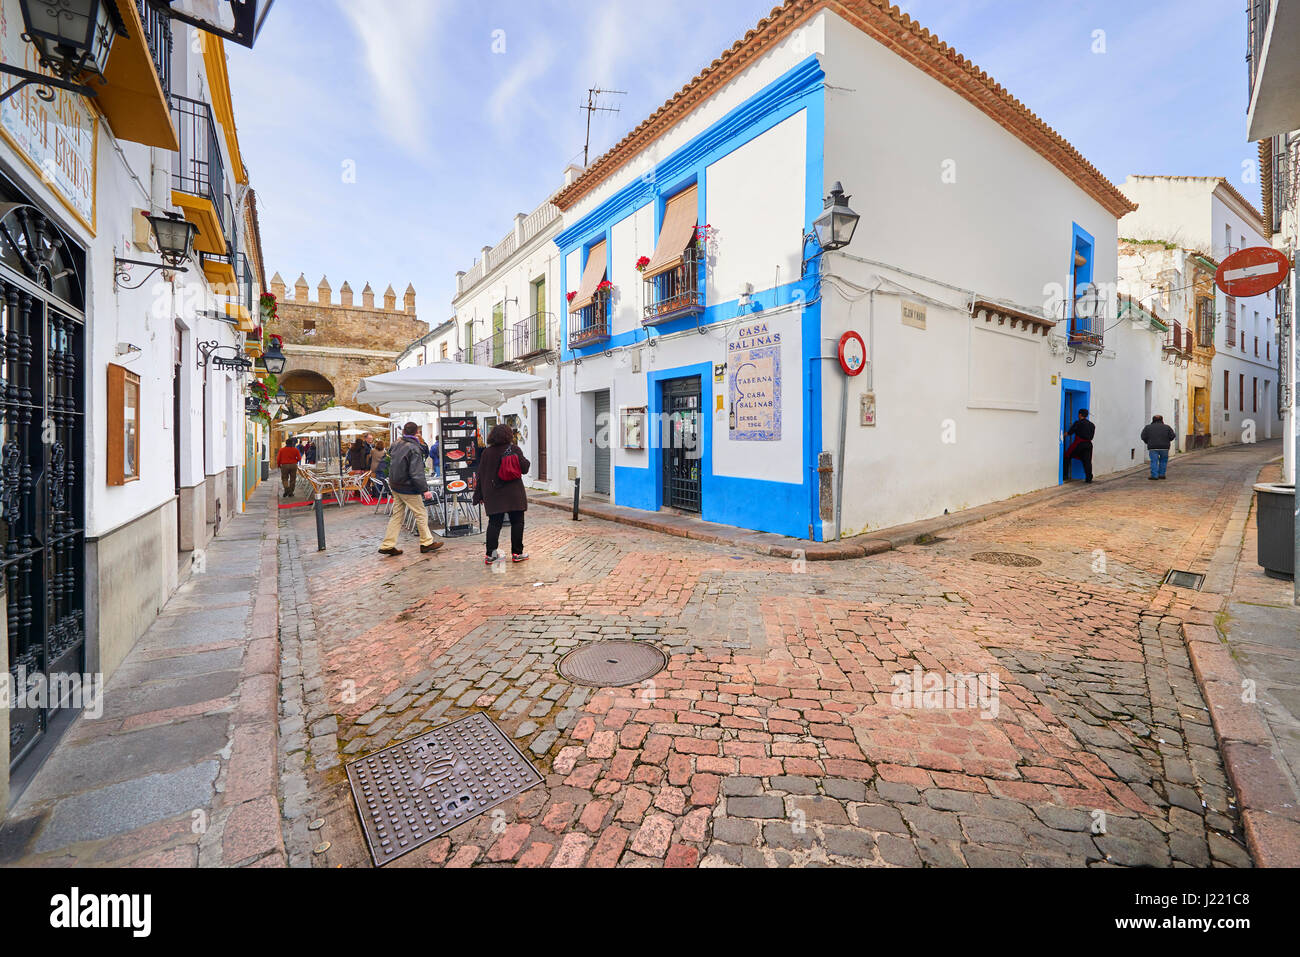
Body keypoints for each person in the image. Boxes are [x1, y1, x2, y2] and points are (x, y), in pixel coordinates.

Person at [379, 423, 443, 556]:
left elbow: (390, 455)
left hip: (395, 484)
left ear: (403, 431)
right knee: (420, 513)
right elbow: (416, 472)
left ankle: (388, 544)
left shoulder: (397, 444)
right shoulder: (413, 448)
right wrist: (424, 490)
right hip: (407, 486)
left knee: (397, 514)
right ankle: (426, 542)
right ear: (417, 432)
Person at [473, 423, 531, 565]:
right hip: (514, 493)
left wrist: (479, 494)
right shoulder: (514, 449)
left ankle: (491, 555)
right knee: (517, 522)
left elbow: (481, 474)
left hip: (493, 493)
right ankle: (517, 553)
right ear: (509, 435)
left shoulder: (487, 452)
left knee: (494, 523)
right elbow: (525, 469)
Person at [1140, 414, 1177, 480]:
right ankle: (1162, 474)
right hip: (1164, 447)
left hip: (1153, 447)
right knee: (1163, 461)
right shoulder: (1167, 427)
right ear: (1162, 420)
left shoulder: (1148, 427)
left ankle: (1154, 475)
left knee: (1154, 461)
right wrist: (1167, 441)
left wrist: (1148, 442)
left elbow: (1143, 436)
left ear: (1153, 420)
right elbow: (1172, 436)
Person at [1063, 408, 1095, 483]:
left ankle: (1065, 475)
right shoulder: (1092, 425)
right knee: (1087, 461)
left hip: (1079, 443)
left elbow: (1070, 432)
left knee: (1067, 456)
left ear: (1080, 415)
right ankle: (1089, 478)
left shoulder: (1078, 423)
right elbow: (1092, 436)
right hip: (1089, 445)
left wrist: (1063, 434)